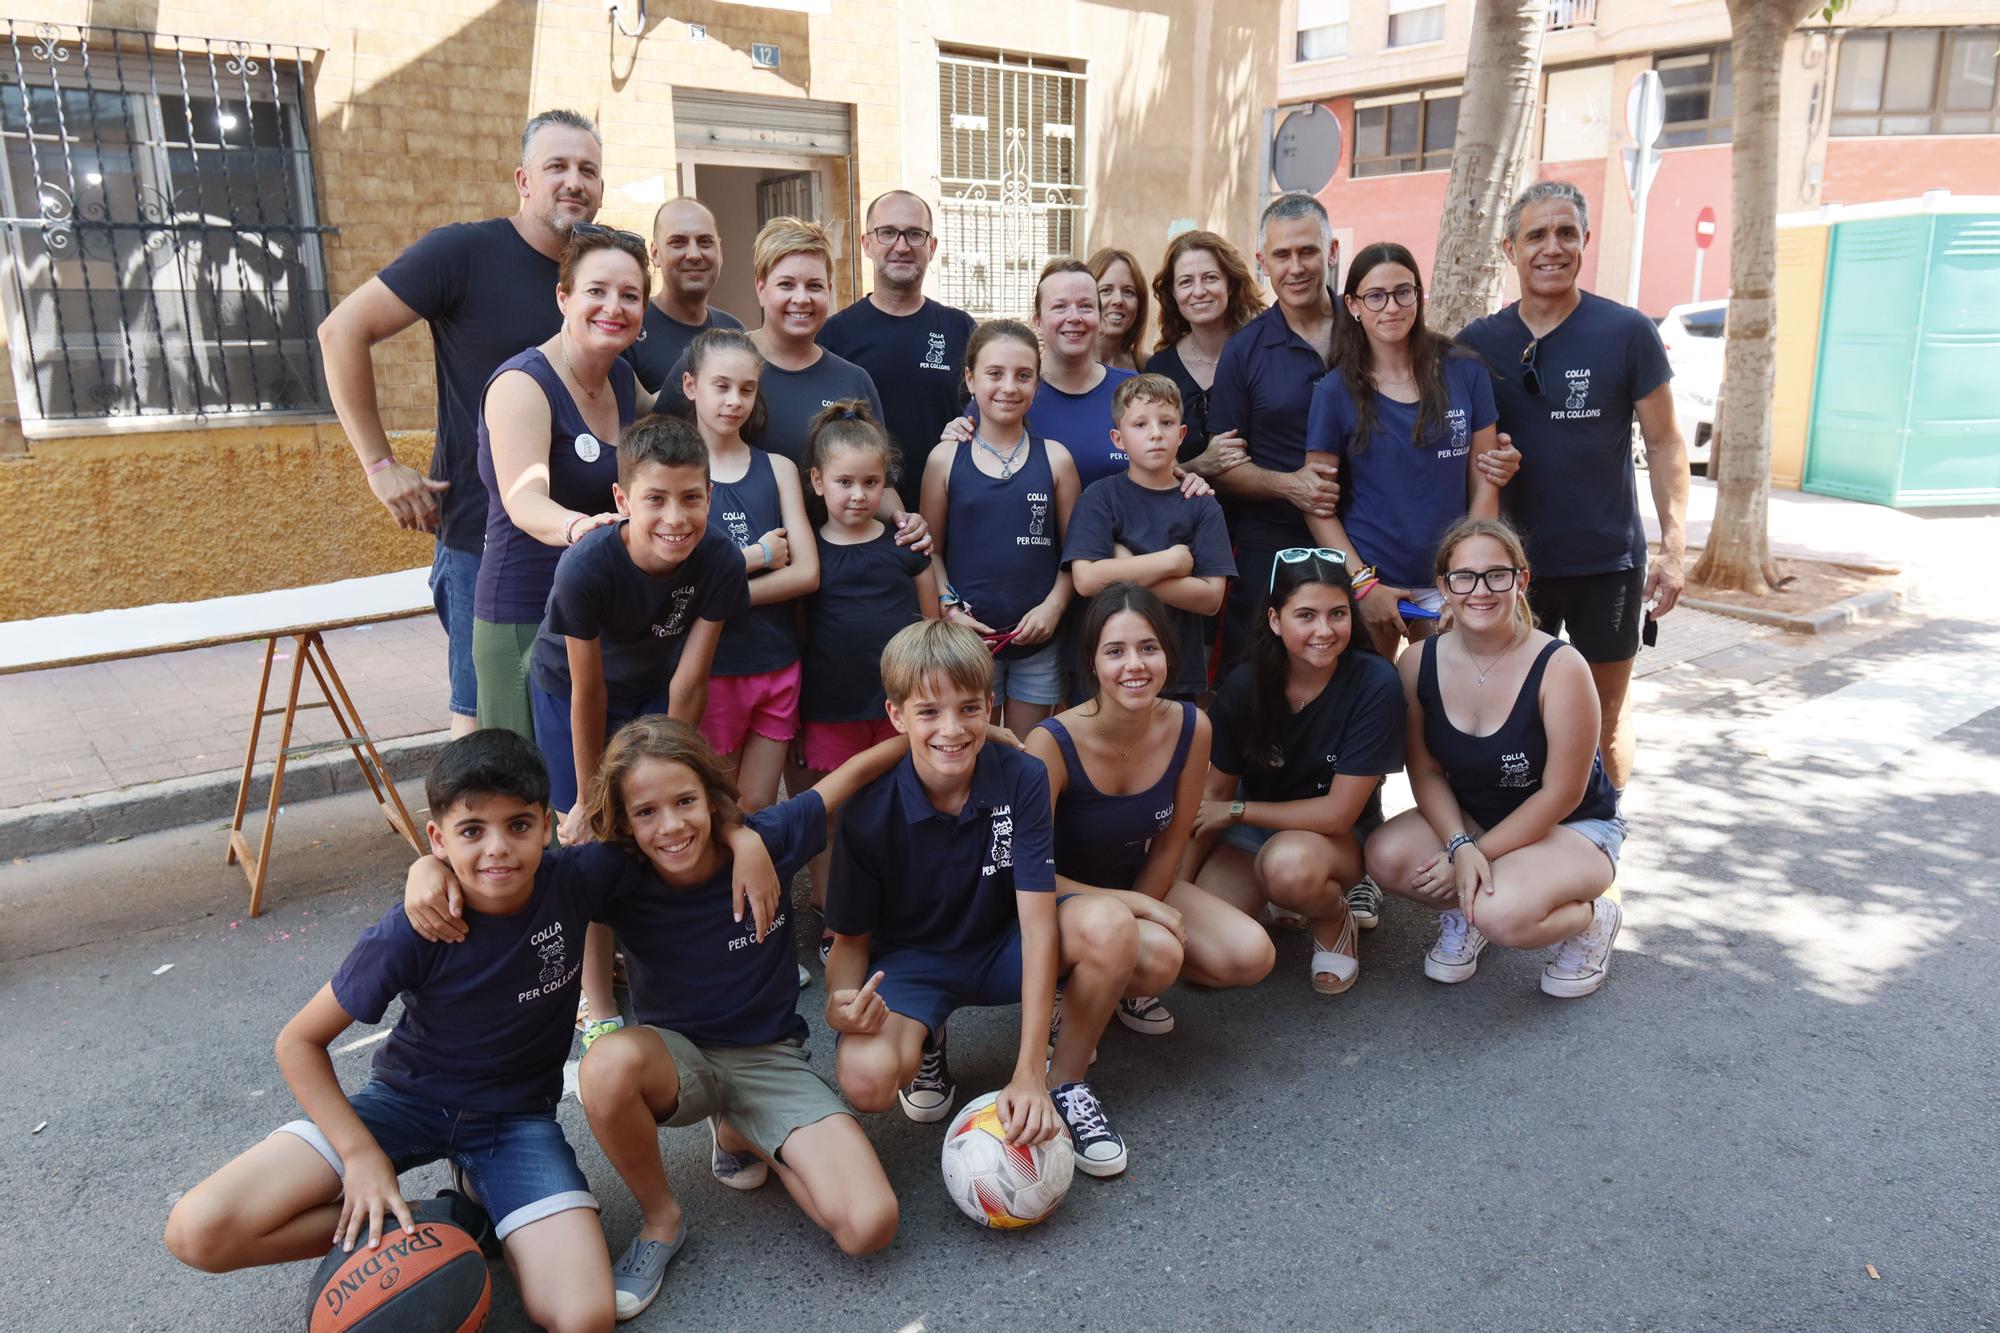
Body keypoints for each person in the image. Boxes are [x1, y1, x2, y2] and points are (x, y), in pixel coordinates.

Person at [402, 720, 907, 1317]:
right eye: (645, 813)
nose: (670, 826)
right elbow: (507, 873)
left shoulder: (768, 837)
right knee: (606, 1064)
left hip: (771, 1059)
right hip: (676, 1060)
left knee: (869, 1226)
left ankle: (746, 1131)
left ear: (711, 797)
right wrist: (426, 870)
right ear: (623, 823)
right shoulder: (615, 871)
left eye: (686, 802)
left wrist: (940, 738)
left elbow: (853, 773)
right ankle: (661, 1220)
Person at [163, 730, 617, 1333]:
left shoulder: (576, 879)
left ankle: (470, 1203)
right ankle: (445, 1225)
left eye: (518, 825)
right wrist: (360, 1158)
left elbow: (677, 836)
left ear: (547, 825)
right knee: (199, 1231)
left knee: (583, 1316)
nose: (497, 849)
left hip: (515, 1122)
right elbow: (297, 1042)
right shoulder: (417, 925)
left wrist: (742, 839)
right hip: (404, 1103)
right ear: (438, 838)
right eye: (472, 831)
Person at [319, 109, 605, 739]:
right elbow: (341, 331)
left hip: (589, 538)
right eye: (555, 166)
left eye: (587, 169)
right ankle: (466, 840)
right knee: (489, 733)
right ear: (522, 180)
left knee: (583, 725)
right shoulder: (463, 253)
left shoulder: (601, 270)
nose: (573, 182)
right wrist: (380, 465)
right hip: (486, 543)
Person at [825, 619, 1142, 1178]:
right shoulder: (867, 811)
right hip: (915, 964)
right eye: (929, 712)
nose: (952, 729)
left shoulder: (1021, 777)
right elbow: (850, 939)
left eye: (970, 708)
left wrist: (1028, 1075)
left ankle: (1065, 1082)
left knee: (1112, 926)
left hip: (1003, 944)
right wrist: (839, 1002)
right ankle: (927, 1039)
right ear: (896, 716)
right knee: (866, 1079)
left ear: (991, 706)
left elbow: (1039, 924)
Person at [1456, 180, 1690, 805]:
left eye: (1566, 233)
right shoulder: (1478, 342)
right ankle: (1516, 847)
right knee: (1513, 717)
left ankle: (1601, 846)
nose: (1551, 247)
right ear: (1510, 248)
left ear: (1586, 241)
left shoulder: (1627, 331)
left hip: (1605, 563)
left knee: (1603, 716)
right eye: (1536, 235)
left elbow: (1666, 442)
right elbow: (1454, 448)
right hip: (1510, 570)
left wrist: (1673, 549)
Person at [528, 413, 751, 1037]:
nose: (675, 518)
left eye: (692, 498)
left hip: (654, 686)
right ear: (623, 500)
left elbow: (691, 680)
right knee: (594, 839)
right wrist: (590, 798)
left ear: (711, 496)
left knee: (672, 819)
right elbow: (587, 690)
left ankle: (677, 963)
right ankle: (595, 1001)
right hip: (569, 688)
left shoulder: (719, 562)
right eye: (655, 500)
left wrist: (683, 776)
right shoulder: (587, 566)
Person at [1362, 516, 1625, 998]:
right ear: (1443, 585)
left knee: (1504, 913)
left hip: (1571, 826)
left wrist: (1474, 854)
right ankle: (1468, 911)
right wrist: (1461, 845)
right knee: (1387, 856)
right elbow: (1424, 769)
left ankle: (1591, 919)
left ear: (1521, 580)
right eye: (1464, 577)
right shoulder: (1417, 661)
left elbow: (1563, 793)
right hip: (1475, 817)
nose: (1479, 590)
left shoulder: (1561, 666)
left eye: (1496, 575)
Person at [1025, 585, 1275, 1040]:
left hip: (1135, 879)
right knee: (1159, 954)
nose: (1134, 665)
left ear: (1168, 654)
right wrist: (1137, 908)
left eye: (1148, 648)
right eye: (1115, 651)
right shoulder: (1051, 742)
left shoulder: (1191, 725)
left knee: (1251, 953)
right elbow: (1026, 873)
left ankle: (1116, 980)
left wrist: (1141, 909)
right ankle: (1066, 998)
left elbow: (1169, 848)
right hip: (1057, 898)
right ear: (1093, 662)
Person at [1183, 550, 1404, 993]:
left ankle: (1331, 915)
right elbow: (1213, 796)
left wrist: (1239, 811)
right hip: (1249, 829)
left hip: (1331, 838)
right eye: (1305, 615)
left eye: (1337, 613)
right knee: (1200, 951)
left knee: (1287, 869)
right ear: (1274, 619)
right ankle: (1275, 896)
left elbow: (1338, 813)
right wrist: (1173, 888)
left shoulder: (1375, 683)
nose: (1324, 630)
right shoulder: (1244, 685)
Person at [473, 226, 652, 741]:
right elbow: (523, 498)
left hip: (590, 611)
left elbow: (673, 416)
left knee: (584, 794)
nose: (613, 307)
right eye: (596, 291)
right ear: (564, 296)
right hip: (525, 614)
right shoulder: (523, 384)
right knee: (527, 797)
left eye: (630, 295)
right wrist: (579, 527)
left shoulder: (620, 377)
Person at [1302, 240, 1514, 661]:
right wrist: (1363, 584)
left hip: (1451, 580)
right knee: (1376, 709)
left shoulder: (1465, 370)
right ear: (1354, 305)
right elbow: (1316, 503)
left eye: (1404, 292)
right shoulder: (1334, 391)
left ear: (1419, 295)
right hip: (1376, 582)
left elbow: (1487, 482)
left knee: (1445, 707)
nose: (1392, 307)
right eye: (1376, 296)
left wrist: (1466, 579)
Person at [798, 402, 939, 937]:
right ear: (817, 481)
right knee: (834, 818)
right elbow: (799, 632)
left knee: (903, 807)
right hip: (831, 708)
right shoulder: (809, 554)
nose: (858, 494)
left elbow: (931, 628)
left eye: (871, 482)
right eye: (844, 482)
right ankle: (836, 920)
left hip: (899, 709)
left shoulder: (905, 547)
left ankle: (903, 909)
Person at [1198, 193, 1344, 673]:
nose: (1296, 267)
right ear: (1263, 262)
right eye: (1282, 255)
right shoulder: (1244, 351)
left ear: (1332, 251)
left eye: (1308, 251)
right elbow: (1225, 468)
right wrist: (1291, 485)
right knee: (1257, 684)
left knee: (1349, 680)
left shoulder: (1366, 330)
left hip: (1364, 539)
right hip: (1268, 547)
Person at [921, 320, 1080, 733]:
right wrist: (949, 608)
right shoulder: (944, 459)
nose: (1009, 387)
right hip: (969, 642)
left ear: (1037, 384)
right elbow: (930, 549)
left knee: (1030, 754)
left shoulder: (1057, 459)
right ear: (971, 379)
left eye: (1023, 375)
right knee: (975, 750)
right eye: (995, 373)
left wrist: (1054, 607)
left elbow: (1075, 553)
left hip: (1038, 643)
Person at [683, 329, 818, 814]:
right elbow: (678, 580)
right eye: (721, 386)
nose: (734, 401)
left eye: (746, 389)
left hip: (777, 661)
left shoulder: (778, 468)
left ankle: (762, 892)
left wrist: (719, 593)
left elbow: (806, 574)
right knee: (716, 803)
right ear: (690, 386)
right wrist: (759, 559)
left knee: (759, 802)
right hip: (713, 669)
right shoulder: (676, 473)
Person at [1064, 375, 1233, 701]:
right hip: (1103, 668)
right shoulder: (1100, 497)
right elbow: (1085, 581)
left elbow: (1211, 599)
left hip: (1175, 668)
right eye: (1140, 424)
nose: (1155, 433)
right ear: (1118, 438)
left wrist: (1123, 568)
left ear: (1182, 434)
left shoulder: (1202, 504)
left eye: (1166, 422)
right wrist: (1170, 562)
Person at [820, 190, 977, 479]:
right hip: (862, 513)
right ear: (866, 244)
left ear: (932, 246)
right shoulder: (833, 335)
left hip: (950, 507)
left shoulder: (961, 329)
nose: (902, 246)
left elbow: (988, 416)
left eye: (914, 234)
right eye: (888, 233)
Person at [1144, 229, 1265, 465]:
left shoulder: (1261, 351)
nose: (1199, 291)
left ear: (1229, 284)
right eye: (1186, 282)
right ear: (1173, 293)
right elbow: (1155, 468)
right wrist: (1201, 465)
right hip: (1186, 501)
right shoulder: (1160, 369)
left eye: (1210, 277)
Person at [627, 198, 744, 402]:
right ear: (655, 253)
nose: (693, 255)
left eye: (705, 242)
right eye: (678, 242)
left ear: (720, 251)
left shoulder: (734, 331)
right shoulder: (629, 330)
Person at [1089, 247, 1149, 372]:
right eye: (1106, 290)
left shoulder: (1150, 368)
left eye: (1128, 292)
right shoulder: (1065, 367)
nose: (1118, 300)